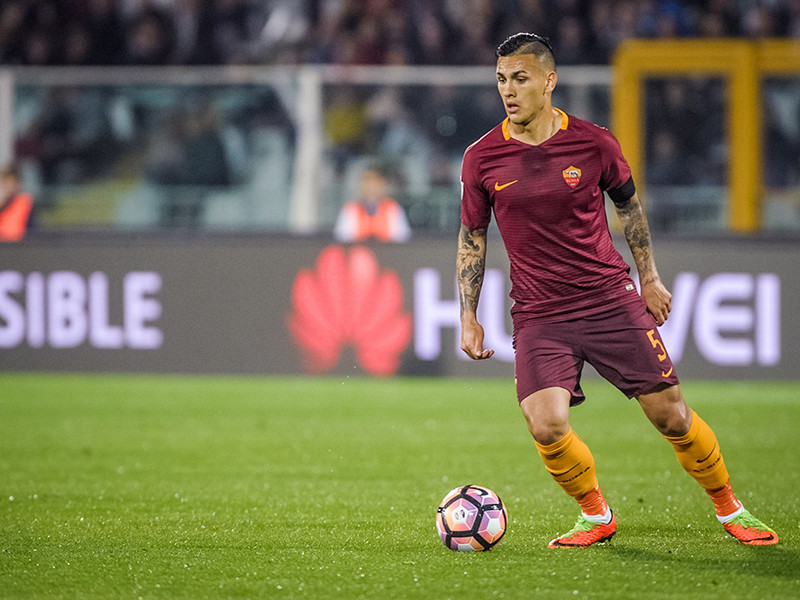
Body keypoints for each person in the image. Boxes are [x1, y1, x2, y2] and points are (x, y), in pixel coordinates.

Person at [456, 32, 778, 548]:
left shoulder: (594, 143)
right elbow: (472, 236)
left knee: (672, 415)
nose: (508, 90)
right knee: (545, 424)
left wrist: (648, 278)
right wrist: (468, 313)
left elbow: (629, 208)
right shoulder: (482, 157)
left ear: (549, 81)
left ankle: (730, 508)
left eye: (519, 78)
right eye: (500, 80)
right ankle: (596, 515)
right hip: (540, 314)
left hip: (608, 300)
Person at [334, 169, 411, 243]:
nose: (371, 188)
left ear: (381, 186)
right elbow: (342, 237)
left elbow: (402, 236)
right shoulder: (350, 209)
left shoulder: (393, 208)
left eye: (375, 184)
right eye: (367, 184)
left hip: (388, 250)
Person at [0, 163, 34, 242]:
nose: (10, 186)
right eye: (7, 183)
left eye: (13, 182)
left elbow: (32, 231)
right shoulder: (3, 204)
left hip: (17, 246)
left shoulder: (25, 203)